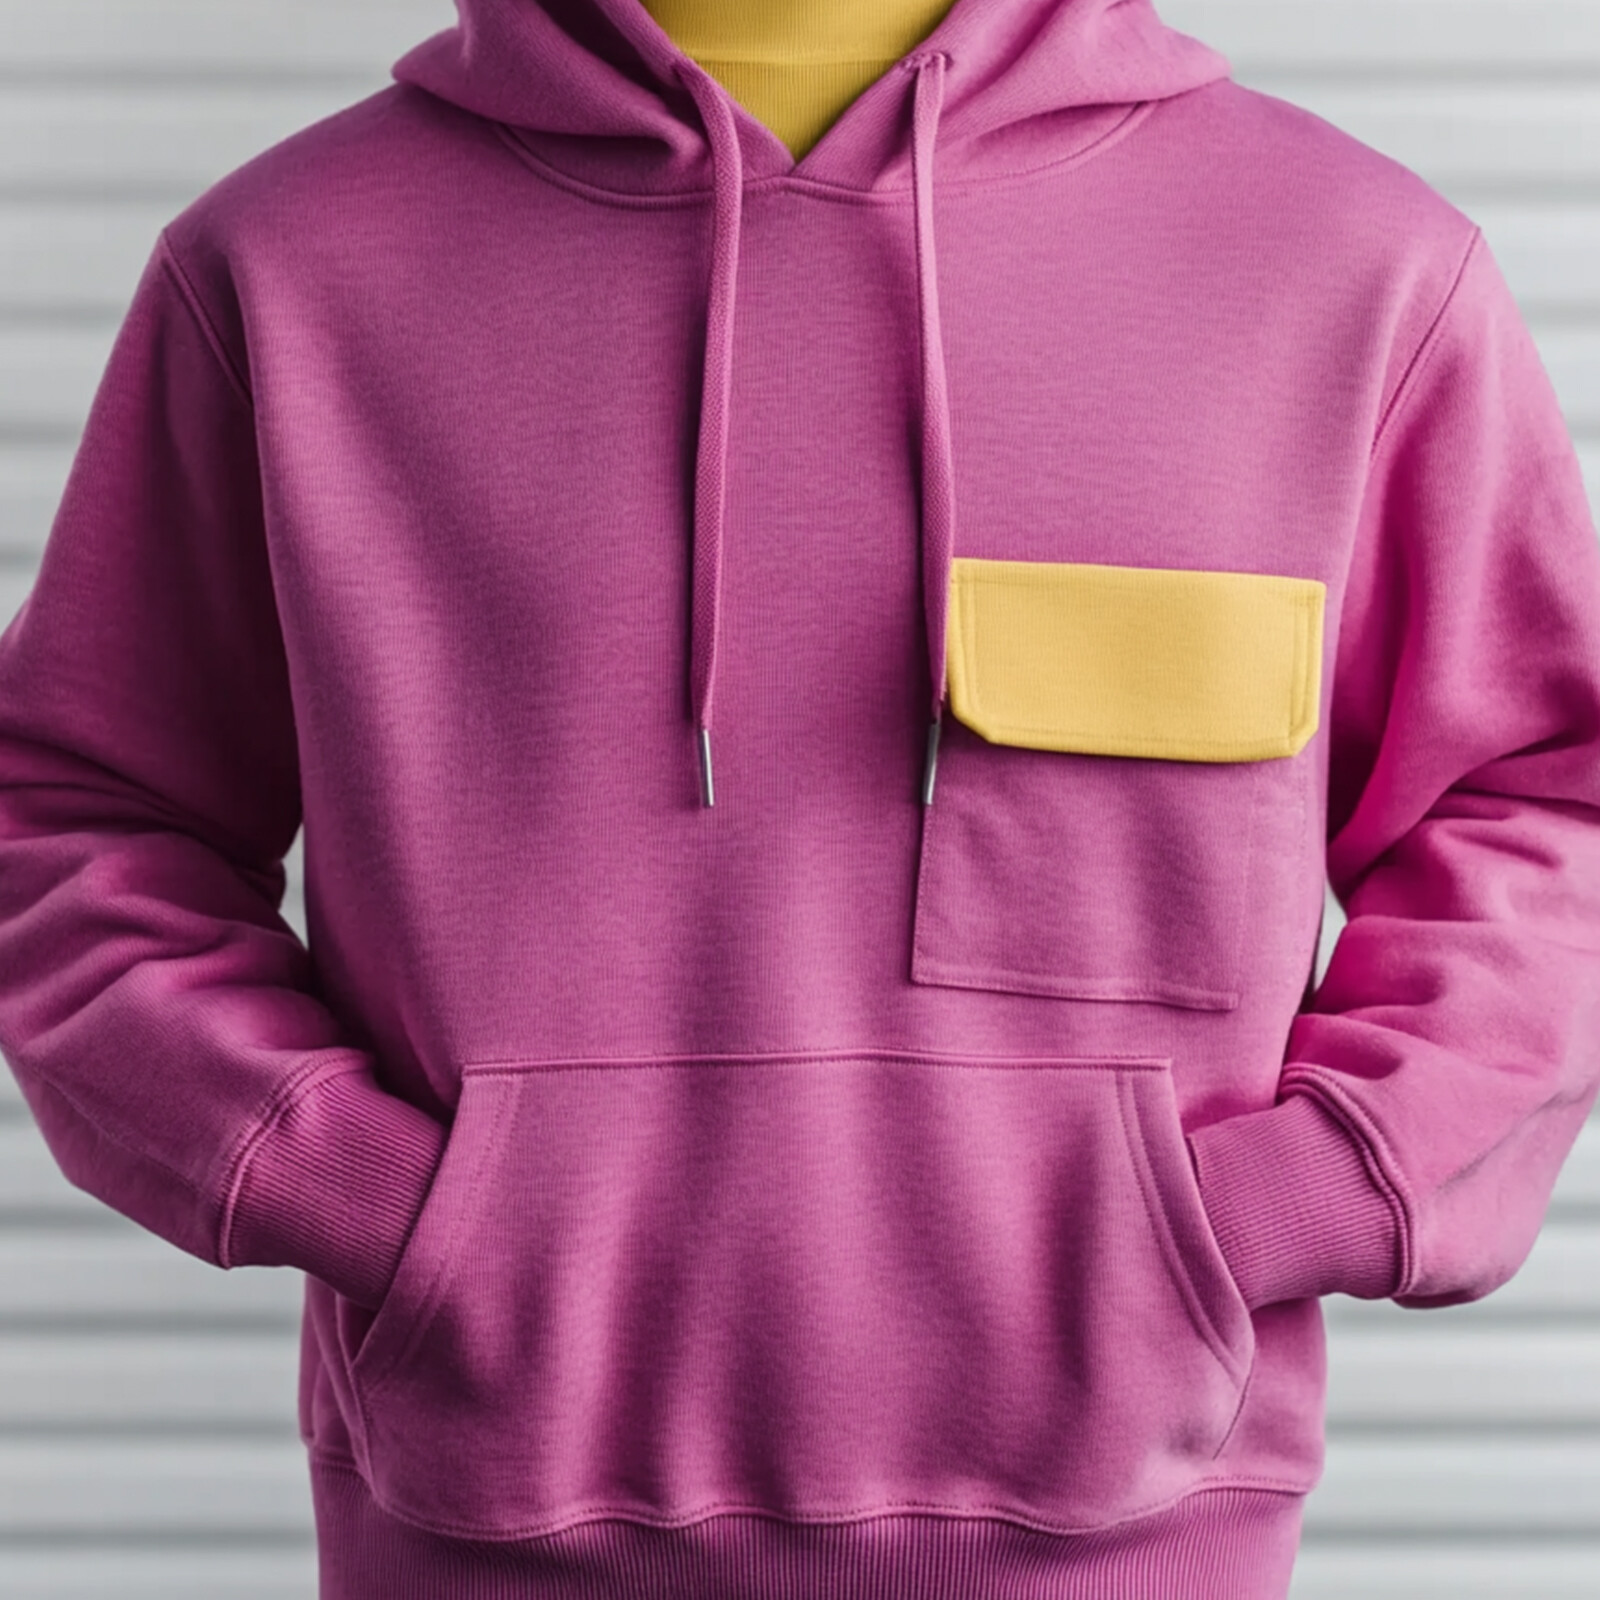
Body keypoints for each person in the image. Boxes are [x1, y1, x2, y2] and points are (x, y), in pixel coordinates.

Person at [2, 2, 1598, 1596]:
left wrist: (1274, 1203)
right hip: (482, 1521)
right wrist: (373, 1195)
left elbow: (1542, 804)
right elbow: (74, 819)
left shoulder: (1343, 266)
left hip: (1147, 1533)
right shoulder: (288, 269)